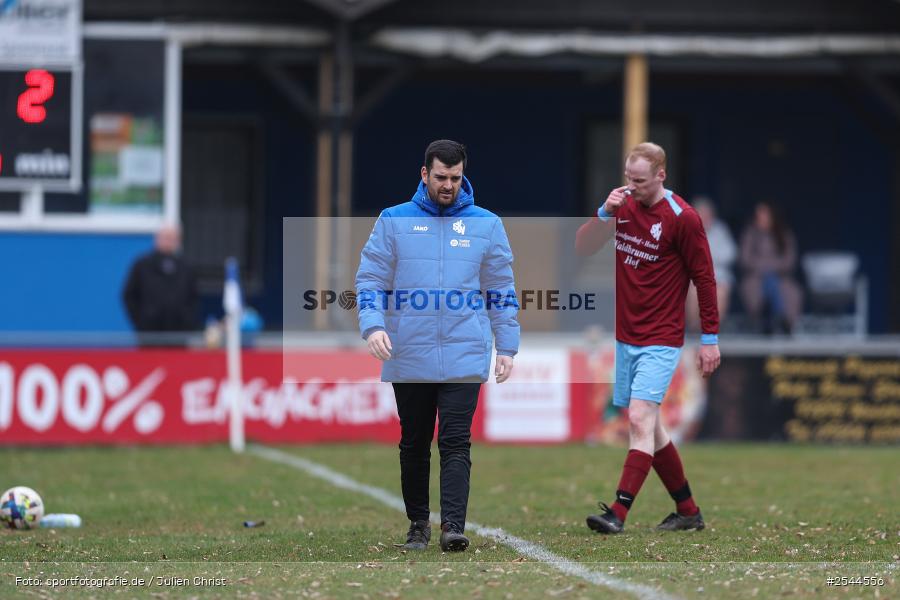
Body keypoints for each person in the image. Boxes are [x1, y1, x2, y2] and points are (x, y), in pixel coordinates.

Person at [355, 140, 519, 552]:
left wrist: (508, 346)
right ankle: (417, 525)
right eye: (441, 177)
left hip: (465, 349)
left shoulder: (488, 224)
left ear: (464, 176)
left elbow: (501, 289)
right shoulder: (393, 221)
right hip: (408, 349)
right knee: (413, 442)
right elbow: (370, 279)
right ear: (424, 174)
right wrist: (373, 325)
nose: (448, 185)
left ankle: (452, 526)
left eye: (456, 178)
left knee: (456, 440)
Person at [575, 142, 720, 534]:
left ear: (661, 175)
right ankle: (688, 511)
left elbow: (705, 279)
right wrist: (604, 211)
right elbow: (582, 247)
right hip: (627, 336)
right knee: (651, 429)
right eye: (627, 178)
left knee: (639, 417)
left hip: (662, 337)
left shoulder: (682, 218)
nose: (632, 186)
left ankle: (617, 514)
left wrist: (709, 338)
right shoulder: (621, 206)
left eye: (639, 180)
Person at [122, 224, 198, 343]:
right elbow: (129, 296)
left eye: (172, 238)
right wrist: (141, 322)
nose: (168, 242)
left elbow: (194, 298)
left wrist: (187, 320)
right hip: (149, 336)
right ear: (157, 239)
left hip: (179, 336)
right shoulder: (142, 265)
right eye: (165, 237)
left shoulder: (187, 267)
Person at [739, 202, 802, 334]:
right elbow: (745, 259)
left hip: (781, 277)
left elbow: (789, 260)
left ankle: (781, 320)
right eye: (759, 215)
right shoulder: (750, 234)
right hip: (756, 277)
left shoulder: (784, 234)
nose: (761, 218)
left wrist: (769, 266)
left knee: (779, 286)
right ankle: (767, 319)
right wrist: (765, 266)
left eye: (765, 215)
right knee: (765, 284)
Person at [685, 197, 737, 332]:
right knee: (691, 291)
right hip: (693, 276)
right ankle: (695, 329)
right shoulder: (688, 229)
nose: (705, 217)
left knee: (720, 291)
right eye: (701, 214)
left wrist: (706, 258)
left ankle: (712, 329)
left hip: (717, 275)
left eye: (707, 214)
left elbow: (730, 253)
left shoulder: (721, 229)